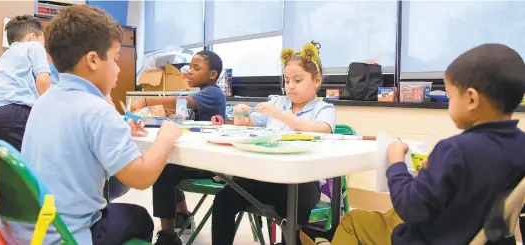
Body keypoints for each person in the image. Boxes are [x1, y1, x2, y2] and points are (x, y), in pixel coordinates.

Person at [0, 5, 183, 245]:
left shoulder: (44, 101)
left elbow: (75, 137)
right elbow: (142, 177)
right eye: (116, 60)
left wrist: (119, 129)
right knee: (141, 219)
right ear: (93, 60)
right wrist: (166, 137)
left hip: (29, 231)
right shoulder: (98, 111)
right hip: (67, 236)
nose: (118, 69)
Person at [328, 43, 525, 245]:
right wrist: (433, 175)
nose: (449, 104)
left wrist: (396, 163)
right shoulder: (521, 146)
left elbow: (410, 208)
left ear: (472, 99)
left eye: (450, 96)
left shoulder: (454, 150)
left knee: (354, 220)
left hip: (430, 239)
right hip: (479, 237)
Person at [211, 41, 336, 245]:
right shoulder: (277, 103)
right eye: (287, 81)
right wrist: (241, 113)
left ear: (317, 80)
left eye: (297, 80)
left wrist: (281, 115)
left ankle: (292, 239)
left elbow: (321, 129)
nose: (290, 86)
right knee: (224, 200)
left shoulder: (324, 109)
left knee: (297, 207)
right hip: (267, 176)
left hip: (304, 181)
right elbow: (249, 123)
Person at [130, 50, 226, 245]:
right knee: (171, 165)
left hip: (211, 164)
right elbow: (183, 109)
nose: (189, 71)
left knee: (164, 171)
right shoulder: (202, 94)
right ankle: (183, 215)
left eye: (196, 68)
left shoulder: (213, 93)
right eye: (190, 67)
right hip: (201, 157)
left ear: (213, 74)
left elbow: (182, 101)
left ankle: (168, 236)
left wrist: (147, 100)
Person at [0, 15, 51, 151]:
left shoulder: (3, 56)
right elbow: (43, 80)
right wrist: (48, 111)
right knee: (28, 166)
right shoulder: (35, 46)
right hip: (11, 114)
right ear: (33, 36)